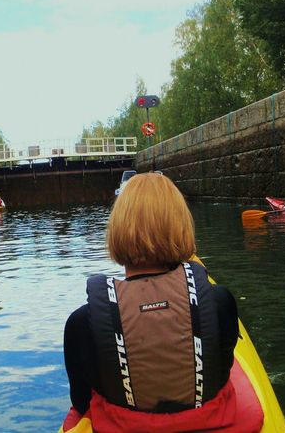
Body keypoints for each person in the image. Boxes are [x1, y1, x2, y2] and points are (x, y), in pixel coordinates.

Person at [63, 173, 242, 431]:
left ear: (117, 229)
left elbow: (81, 403)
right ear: (181, 224)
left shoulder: (81, 323)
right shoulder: (219, 303)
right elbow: (221, 374)